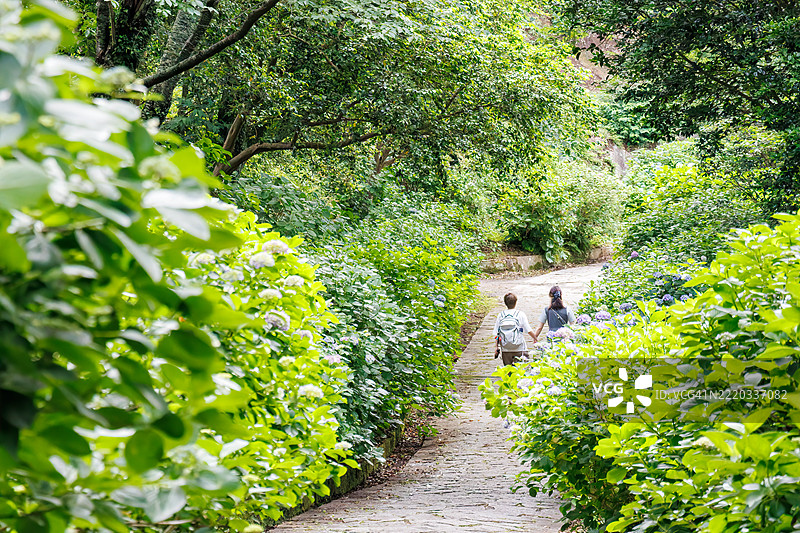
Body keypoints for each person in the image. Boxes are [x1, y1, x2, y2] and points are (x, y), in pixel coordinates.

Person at [494, 292, 536, 366]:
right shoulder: (520, 314)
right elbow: (528, 329)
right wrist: (535, 338)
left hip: (505, 348)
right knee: (522, 370)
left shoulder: (501, 315)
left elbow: (497, 333)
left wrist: (496, 347)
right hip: (520, 347)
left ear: (505, 303)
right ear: (516, 302)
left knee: (508, 371)